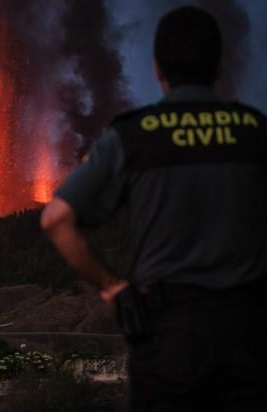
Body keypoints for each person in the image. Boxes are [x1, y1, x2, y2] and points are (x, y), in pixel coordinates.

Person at [41, 6, 267, 411]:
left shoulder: (134, 135)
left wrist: (111, 285)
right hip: (248, 335)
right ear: (220, 64)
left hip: (167, 337)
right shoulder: (255, 131)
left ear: (157, 68)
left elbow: (55, 217)